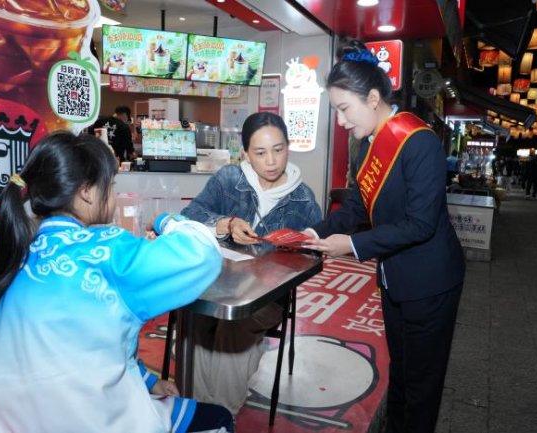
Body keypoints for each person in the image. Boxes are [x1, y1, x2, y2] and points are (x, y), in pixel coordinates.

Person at [0, 131, 234, 433]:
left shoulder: (22, 253)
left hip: (2, 422)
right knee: (219, 419)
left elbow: (87, 342)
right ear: (86, 191)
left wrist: (148, 381)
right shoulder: (106, 251)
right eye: (111, 186)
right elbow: (203, 254)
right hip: (80, 420)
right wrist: (166, 220)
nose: (114, 195)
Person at [301, 40, 465, 433]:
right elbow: (356, 208)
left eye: (344, 109)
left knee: (422, 384)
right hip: (394, 278)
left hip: (430, 281)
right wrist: (314, 232)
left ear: (373, 98)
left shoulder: (420, 142)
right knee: (401, 371)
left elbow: (421, 224)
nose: (341, 122)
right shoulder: (365, 147)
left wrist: (351, 245)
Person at [180, 111, 322, 415]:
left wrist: (293, 248)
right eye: (260, 152)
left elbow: (312, 257)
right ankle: (198, 411)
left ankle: (220, 414)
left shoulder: (304, 201)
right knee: (193, 314)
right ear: (245, 153)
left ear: (288, 147)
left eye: (278, 150)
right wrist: (227, 224)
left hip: (266, 299)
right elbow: (190, 215)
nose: (271, 161)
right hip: (215, 285)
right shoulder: (229, 180)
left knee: (235, 325)